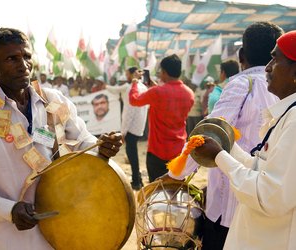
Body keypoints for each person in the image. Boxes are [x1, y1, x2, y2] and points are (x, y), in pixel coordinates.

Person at [0, 27, 122, 250]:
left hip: (61, 230)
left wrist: (102, 146)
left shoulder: (53, 101)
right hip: (8, 238)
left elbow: (83, 140)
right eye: (11, 58)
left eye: (26, 56)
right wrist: (8, 210)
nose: (23, 66)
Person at [165, 22, 283, 250]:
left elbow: (208, 133)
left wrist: (176, 174)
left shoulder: (241, 84)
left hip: (229, 205)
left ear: (241, 55)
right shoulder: (286, 89)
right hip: (265, 201)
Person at [191, 30, 296, 250]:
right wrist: (228, 148)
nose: (267, 67)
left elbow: (268, 194)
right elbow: (263, 167)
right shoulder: (287, 113)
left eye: (275, 59)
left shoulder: (294, 121)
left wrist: (219, 156)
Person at [129, 54, 194, 182]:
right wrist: (156, 88)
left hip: (157, 151)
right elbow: (170, 101)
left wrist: (135, 82)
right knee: (176, 190)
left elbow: (134, 100)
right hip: (179, 151)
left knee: (156, 193)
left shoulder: (157, 93)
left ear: (164, 72)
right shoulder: (189, 93)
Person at [121, 67, 148, 190]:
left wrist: (123, 131)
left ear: (132, 75)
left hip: (131, 127)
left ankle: (136, 181)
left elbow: (128, 112)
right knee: (133, 154)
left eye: (127, 74)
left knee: (132, 155)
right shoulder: (144, 88)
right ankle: (138, 179)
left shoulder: (130, 89)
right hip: (140, 125)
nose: (126, 76)